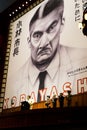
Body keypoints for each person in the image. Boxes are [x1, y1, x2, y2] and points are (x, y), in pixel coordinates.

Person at [4, 0, 87, 108]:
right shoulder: (12, 81)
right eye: (37, 35)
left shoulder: (83, 56)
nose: (44, 43)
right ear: (29, 41)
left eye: (51, 28)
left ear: (62, 24)